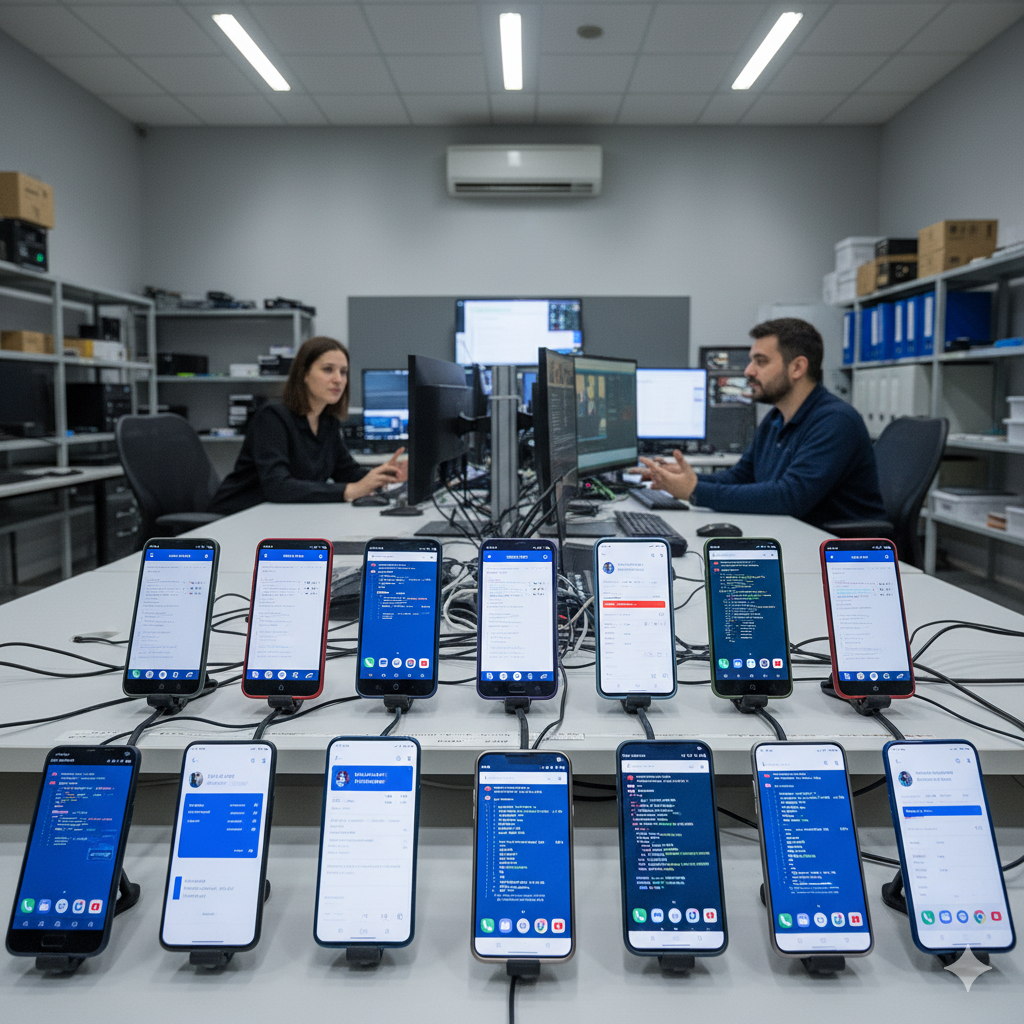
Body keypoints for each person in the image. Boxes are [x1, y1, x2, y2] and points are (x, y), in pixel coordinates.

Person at [640, 318, 885, 527]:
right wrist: (682, 478)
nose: (748, 371)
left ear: (797, 367)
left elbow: (789, 497)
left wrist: (695, 491)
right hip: (794, 535)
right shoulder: (776, 418)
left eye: (761, 361)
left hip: (840, 551)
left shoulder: (835, 422)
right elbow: (740, 476)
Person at [209, 336, 406, 515]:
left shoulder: (327, 421)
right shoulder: (272, 417)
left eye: (343, 372)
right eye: (328, 369)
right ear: (304, 374)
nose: (338, 379)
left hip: (281, 516)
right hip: (238, 516)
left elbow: (347, 472)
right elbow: (278, 486)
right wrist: (350, 490)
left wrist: (385, 475)